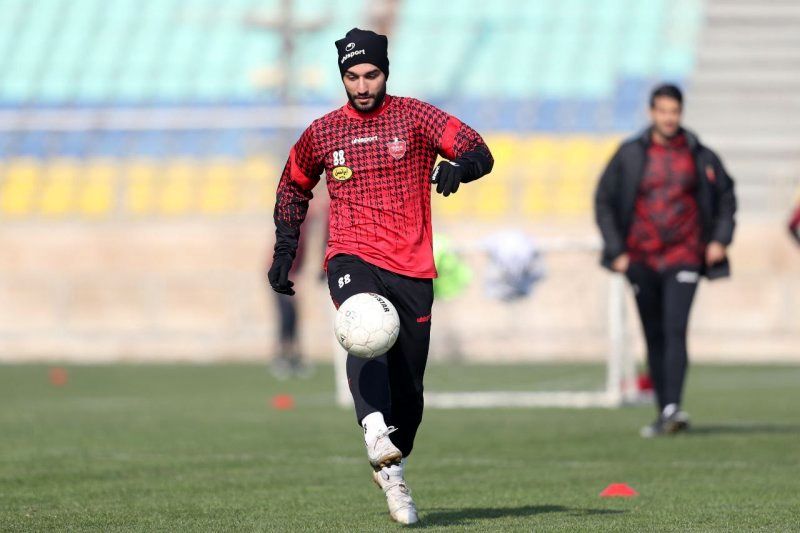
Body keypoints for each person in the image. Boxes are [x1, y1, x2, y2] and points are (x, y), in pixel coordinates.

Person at [267, 28, 493, 524]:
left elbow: (478, 149)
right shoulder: (323, 132)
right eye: (352, 76)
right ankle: (372, 429)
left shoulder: (415, 117)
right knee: (364, 327)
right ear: (342, 77)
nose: (362, 85)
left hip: (412, 267)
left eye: (371, 74)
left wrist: (461, 168)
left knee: (409, 392)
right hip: (351, 256)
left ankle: (393, 469)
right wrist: (286, 249)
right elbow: (292, 187)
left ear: (385, 72)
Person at [594, 84, 736, 438]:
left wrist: (719, 239)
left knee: (675, 328)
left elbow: (726, 196)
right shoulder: (629, 154)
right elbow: (604, 200)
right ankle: (664, 411)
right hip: (640, 258)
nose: (669, 118)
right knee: (654, 334)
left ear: (681, 113)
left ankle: (673, 406)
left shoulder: (699, 154)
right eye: (663, 111)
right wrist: (617, 250)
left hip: (684, 255)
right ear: (651, 112)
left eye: (674, 112)